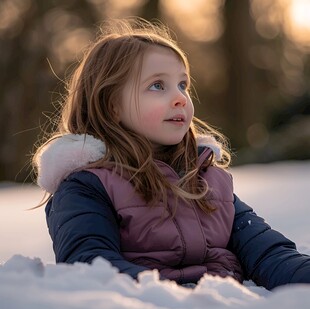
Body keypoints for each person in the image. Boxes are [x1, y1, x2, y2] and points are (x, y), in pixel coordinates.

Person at [33, 18, 310, 290]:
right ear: (112, 105)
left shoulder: (207, 180)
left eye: (182, 85)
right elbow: (92, 267)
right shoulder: (87, 188)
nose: (180, 98)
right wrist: (180, 297)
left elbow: (268, 254)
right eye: (158, 85)